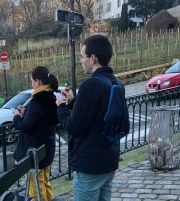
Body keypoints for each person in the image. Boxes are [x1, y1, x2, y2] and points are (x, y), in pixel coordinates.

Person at [56, 34, 129, 201]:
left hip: (90, 164)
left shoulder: (91, 85)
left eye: (83, 56)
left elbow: (75, 126)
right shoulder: (116, 83)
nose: (81, 61)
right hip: (109, 159)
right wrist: (74, 101)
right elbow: (97, 115)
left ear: (93, 58)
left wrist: (61, 107)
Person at [13, 66, 59, 201]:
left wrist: (17, 117)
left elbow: (27, 127)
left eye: (32, 81)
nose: (31, 84)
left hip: (34, 152)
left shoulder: (37, 100)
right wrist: (25, 113)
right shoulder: (51, 97)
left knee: (36, 188)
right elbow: (41, 121)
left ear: (38, 81)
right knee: (45, 182)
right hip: (47, 149)